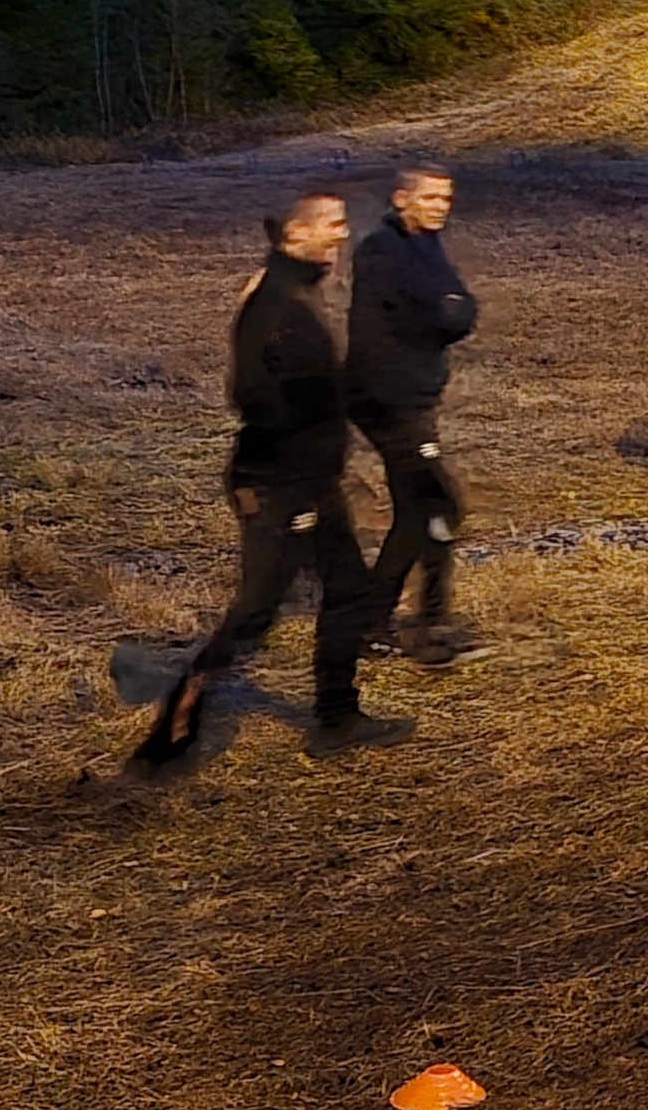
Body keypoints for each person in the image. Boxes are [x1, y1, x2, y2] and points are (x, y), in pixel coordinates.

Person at [133, 193, 405, 771]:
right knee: (257, 609)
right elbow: (250, 394)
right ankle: (175, 723)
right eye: (330, 226)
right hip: (281, 484)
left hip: (305, 480)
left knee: (350, 590)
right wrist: (299, 455)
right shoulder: (274, 302)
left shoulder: (288, 292)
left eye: (342, 223)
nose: (341, 235)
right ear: (292, 236)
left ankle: (338, 717)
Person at [347, 162, 482, 664]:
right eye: (429, 198)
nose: (440, 207)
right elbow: (439, 312)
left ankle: (421, 616)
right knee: (433, 505)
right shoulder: (383, 251)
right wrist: (448, 310)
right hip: (389, 401)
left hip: (412, 398)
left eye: (446, 198)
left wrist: (450, 309)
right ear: (401, 199)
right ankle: (391, 621)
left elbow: (458, 309)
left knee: (427, 509)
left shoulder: (426, 246)